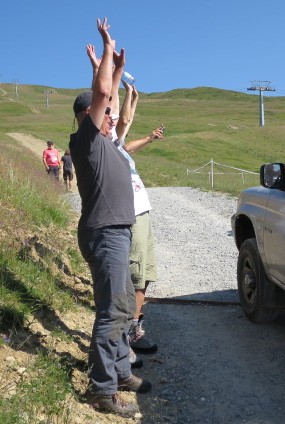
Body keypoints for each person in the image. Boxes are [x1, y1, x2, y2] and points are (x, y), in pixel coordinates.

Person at [69, 18, 150, 418]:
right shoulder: (86, 142)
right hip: (105, 233)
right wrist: (105, 50)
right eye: (105, 112)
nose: (112, 115)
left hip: (116, 231)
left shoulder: (109, 141)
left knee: (121, 306)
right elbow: (102, 94)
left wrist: (117, 71)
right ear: (89, 114)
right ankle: (102, 388)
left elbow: (109, 96)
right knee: (111, 312)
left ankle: (119, 371)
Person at [86, 48, 162, 362]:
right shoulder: (104, 145)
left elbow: (124, 116)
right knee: (132, 275)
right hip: (127, 215)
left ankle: (133, 328)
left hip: (142, 211)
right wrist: (104, 68)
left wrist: (133, 96)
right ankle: (125, 337)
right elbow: (108, 102)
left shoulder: (118, 145)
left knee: (143, 273)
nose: (114, 120)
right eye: (108, 118)